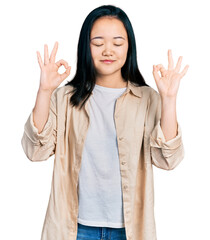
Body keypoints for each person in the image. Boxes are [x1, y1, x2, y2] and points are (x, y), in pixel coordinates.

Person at [21, 4, 189, 240]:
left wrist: (169, 99)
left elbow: (168, 159)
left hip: (129, 229)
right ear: (85, 47)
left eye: (117, 43)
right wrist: (44, 90)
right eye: (98, 43)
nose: (108, 50)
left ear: (129, 47)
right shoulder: (64, 98)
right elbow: (35, 152)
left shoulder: (147, 98)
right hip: (73, 227)